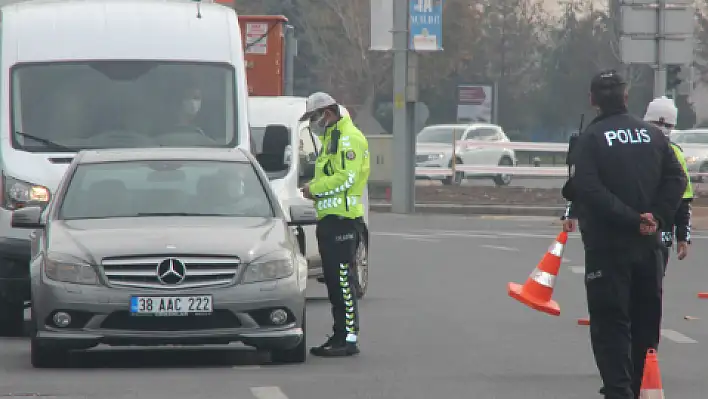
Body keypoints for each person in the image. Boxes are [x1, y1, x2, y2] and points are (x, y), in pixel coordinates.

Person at [561, 70, 687, 399]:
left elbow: (587, 189)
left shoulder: (590, 139)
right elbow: (678, 180)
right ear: (627, 98)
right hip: (650, 248)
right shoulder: (655, 137)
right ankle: (639, 388)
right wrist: (656, 218)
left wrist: (632, 219)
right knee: (646, 322)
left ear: (592, 100)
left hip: (608, 248)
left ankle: (619, 392)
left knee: (611, 323)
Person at [298, 92, 370, 357]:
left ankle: (349, 339)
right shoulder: (332, 138)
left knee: (342, 281)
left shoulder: (349, 138)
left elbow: (346, 178)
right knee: (333, 282)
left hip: (343, 221)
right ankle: (340, 334)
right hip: (330, 220)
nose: (314, 124)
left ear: (327, 113)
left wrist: (314, 189)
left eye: (316, 118)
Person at [643, 96, 693, 267]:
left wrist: (682, 237)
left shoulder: (675, 153)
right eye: (657, 123)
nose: (662, 129)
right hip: (645, 228)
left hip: (656, 231)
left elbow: (684, 199)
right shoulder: (634, 147)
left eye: (667, 125)